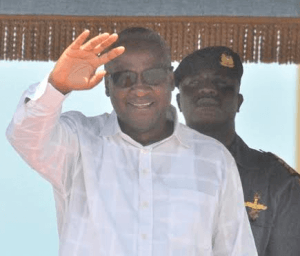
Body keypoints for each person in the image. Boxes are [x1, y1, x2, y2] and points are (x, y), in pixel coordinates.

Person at [6, 28, 257, 256]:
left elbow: (236, 249)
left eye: (153, 75)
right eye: (125, 78)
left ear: (170, 81)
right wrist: (56, 86)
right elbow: (26, 136)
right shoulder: (79, 143)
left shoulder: (213, 159)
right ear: (107, 86)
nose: (139, 89)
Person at [174, 46, 300, 256]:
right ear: (178, 102)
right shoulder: (152, 169)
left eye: (222, 84)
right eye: (194, 83)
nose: (208, 89)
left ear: (238, 102)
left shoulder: (277, 181)